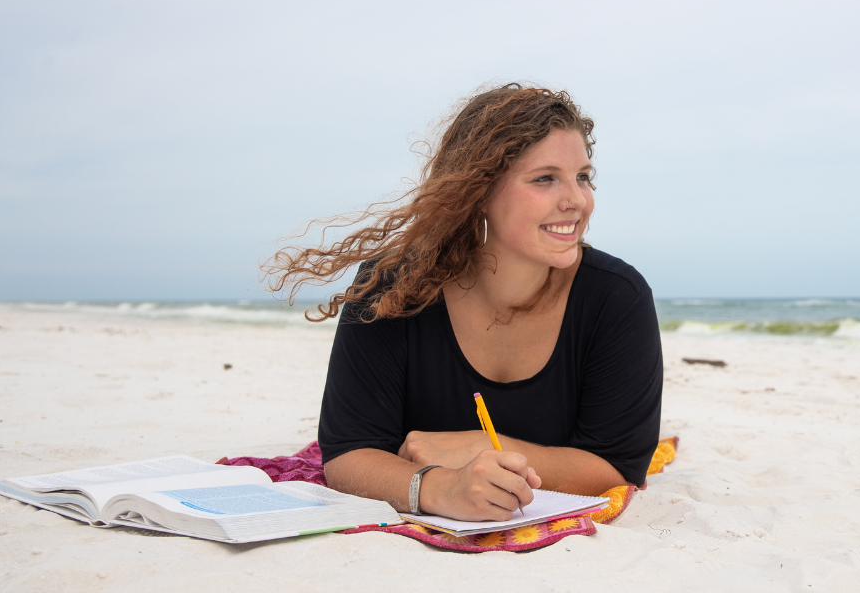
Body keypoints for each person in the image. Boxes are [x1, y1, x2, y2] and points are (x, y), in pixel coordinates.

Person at [264, 84, 662, 522]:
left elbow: (619, 467)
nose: (577, 200)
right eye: (545, 178)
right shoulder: (395, 287)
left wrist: (485, 446)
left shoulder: (617, 297)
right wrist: (439, 489)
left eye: (583, 176)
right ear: (480, 190)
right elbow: (349, 453)